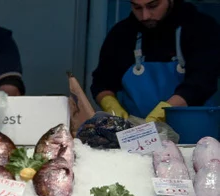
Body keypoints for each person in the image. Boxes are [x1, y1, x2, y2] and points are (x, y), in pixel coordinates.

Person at [90, 0, 220, 122]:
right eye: (137, 7)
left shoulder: (201, 27)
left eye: (153, 6)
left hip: (193, 129)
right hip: (138, 133)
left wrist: (164, 111)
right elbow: (102, 83)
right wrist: (112, 107)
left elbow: (203, 79)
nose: (145, 16)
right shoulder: (122, 33)